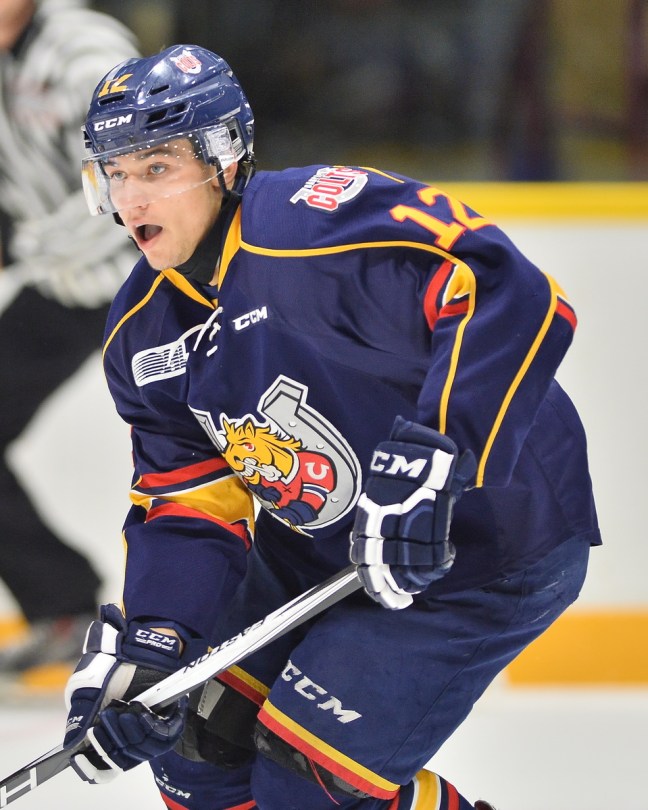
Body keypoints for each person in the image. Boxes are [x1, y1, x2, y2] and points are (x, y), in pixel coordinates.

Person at [62, 45, 601, 810]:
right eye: (115, 173)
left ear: (226, 161)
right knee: (194, 750)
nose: (132, 199)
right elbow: (190, 500)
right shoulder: (141, 335)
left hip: (483, 546)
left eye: (157, 167)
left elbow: (506, 291)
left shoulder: (312, 228)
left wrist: (437, 452)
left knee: (307, 787)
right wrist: (156, 644)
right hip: (315, 545)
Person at [0, 0, 139, 684]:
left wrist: (19, 242)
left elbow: (127, 176)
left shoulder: (84, 48)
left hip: (130, 286)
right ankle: (63, 608)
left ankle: (73, 608)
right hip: (60, 285)